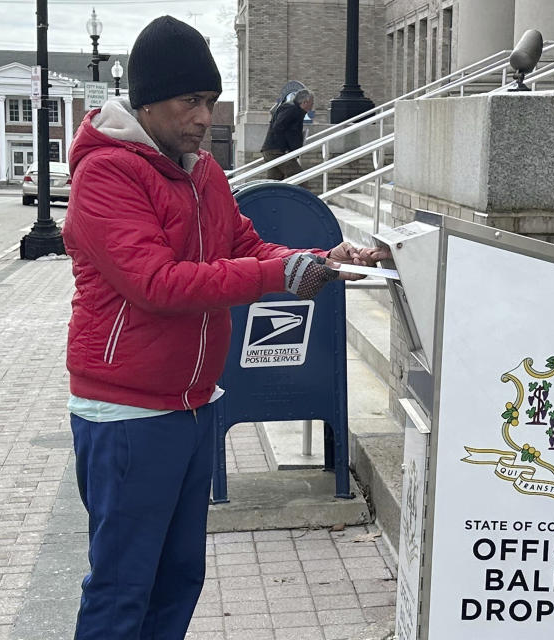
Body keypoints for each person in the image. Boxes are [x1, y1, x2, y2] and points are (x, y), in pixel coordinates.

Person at [61, 16, 388, 640]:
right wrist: (277, 275)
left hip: (191, 404)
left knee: (179, 577)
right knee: (123, 585)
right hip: (126, 412)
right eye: (190, 101)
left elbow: (246, 244)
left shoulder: (202, 172)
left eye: (210, 101)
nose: (204, 117)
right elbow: (158, 283)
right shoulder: (106, 175)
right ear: (149, 101)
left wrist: (320, 261)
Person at [260, 88, 314, 180]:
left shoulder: (295, 110)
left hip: (272, 150)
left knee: (274, 182)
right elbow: (279, 127)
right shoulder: (291, 109)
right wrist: (288, 148)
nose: (312, 105)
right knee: (300, 179)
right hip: (277, 151)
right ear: (305, 102)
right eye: (311, 103)